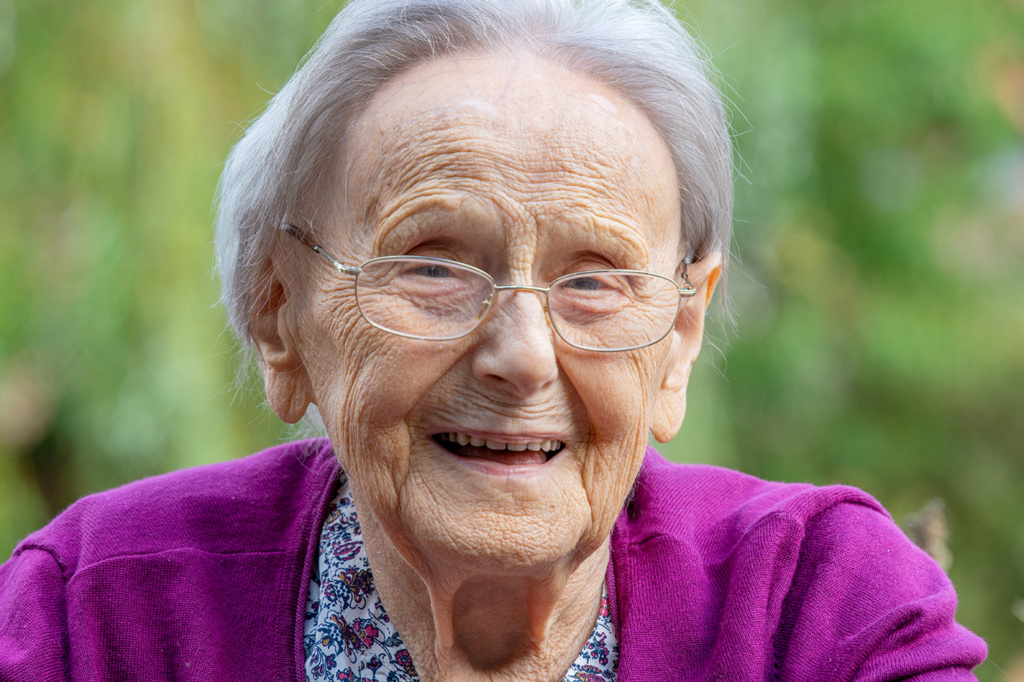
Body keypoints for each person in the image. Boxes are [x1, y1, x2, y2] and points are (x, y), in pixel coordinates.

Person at [0, 0, 986, 679]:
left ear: (680, 336)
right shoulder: (98, 616)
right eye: (431, 264)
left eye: (593, 279)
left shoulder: (811, 610)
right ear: (278, 315)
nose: (519, 355)